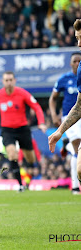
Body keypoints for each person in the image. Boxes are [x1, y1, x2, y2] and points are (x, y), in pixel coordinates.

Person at [0, 71, 47, 192]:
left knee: (30, 159)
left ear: (14, 80)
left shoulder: (22, 93)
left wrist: (41, 122)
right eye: (6, 80)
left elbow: (36, 107)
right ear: (3, 82)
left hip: (23, 129)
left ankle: (28, 180)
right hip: (7, 130)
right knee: (12, 155)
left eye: (10, 80)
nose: (8, 82)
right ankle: (19, 185)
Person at [49, 19, 81, 189]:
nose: (79, 43)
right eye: (77, 39)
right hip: (72, 117)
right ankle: (76, 187)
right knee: (79, 160)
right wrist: (59, 129)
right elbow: (79, 105)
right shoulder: (67, 78)